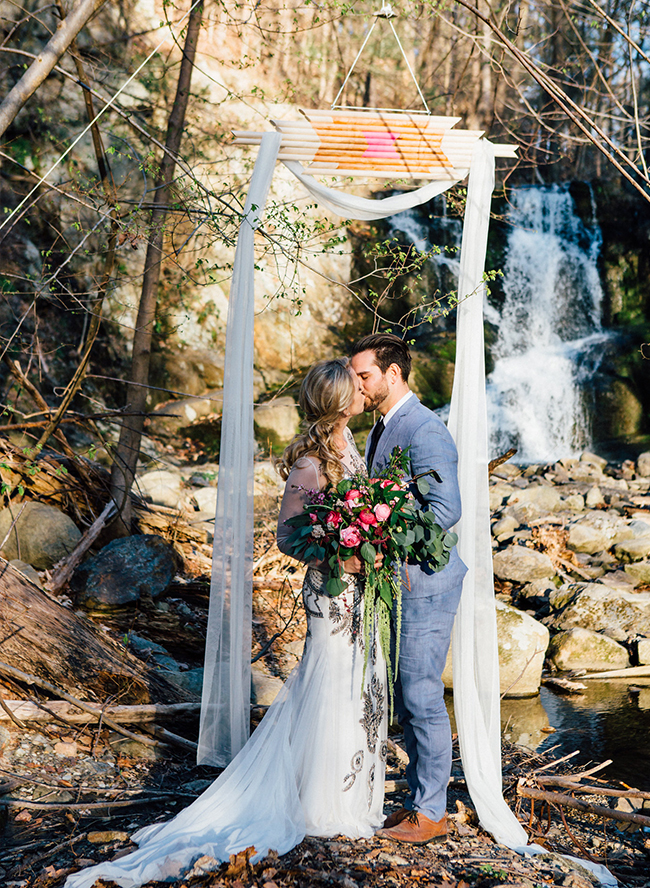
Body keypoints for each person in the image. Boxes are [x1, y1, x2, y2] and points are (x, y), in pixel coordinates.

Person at [65, 358, 387, 888]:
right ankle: (322, 802)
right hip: (332, 593)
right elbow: (288, 536)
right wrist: (339, 557)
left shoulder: (350, 447)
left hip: (359, 590)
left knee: (355, 684)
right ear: (336, 401)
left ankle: (349, 790)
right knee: (328, 685)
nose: (362, 391)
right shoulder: (310, 463)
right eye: (355, 386)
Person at [350, 333, 467, 846]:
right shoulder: (384, 427)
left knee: (421, 695)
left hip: (427, 581)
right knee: (406, 691)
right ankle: (420, 801)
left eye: (364, 375)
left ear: (392, 374)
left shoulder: (425, 429)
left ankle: (432, 814)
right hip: (401, 581)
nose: (357, 383)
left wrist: (380, 531)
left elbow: (445, 511)